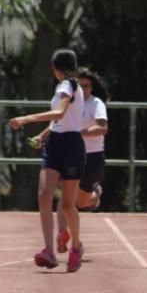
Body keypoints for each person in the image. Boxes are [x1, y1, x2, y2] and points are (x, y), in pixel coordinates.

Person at [8, 48, 86, 273]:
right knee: (44, 195)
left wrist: (25, 118)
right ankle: (49, 251)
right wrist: (43, 136)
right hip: (55, 144)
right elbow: (59, 121)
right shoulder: (63, 87)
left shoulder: (69, 86)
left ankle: (76, 247)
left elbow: (60, 113)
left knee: (69, 205)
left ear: (55, 67)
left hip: (71, 145)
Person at [50, 67, 109, 253]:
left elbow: (102, 128)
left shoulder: (95, 103)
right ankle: (61, 234)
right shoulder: (69, 102)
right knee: (66, 196)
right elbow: (56, 122)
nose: (84, 89)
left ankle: (95, 194)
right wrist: (43, 136)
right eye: (80, 85)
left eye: (87, 86)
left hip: (92, 156)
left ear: (92, 87)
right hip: (72, 152)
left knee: (82, 203)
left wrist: (81, 133)